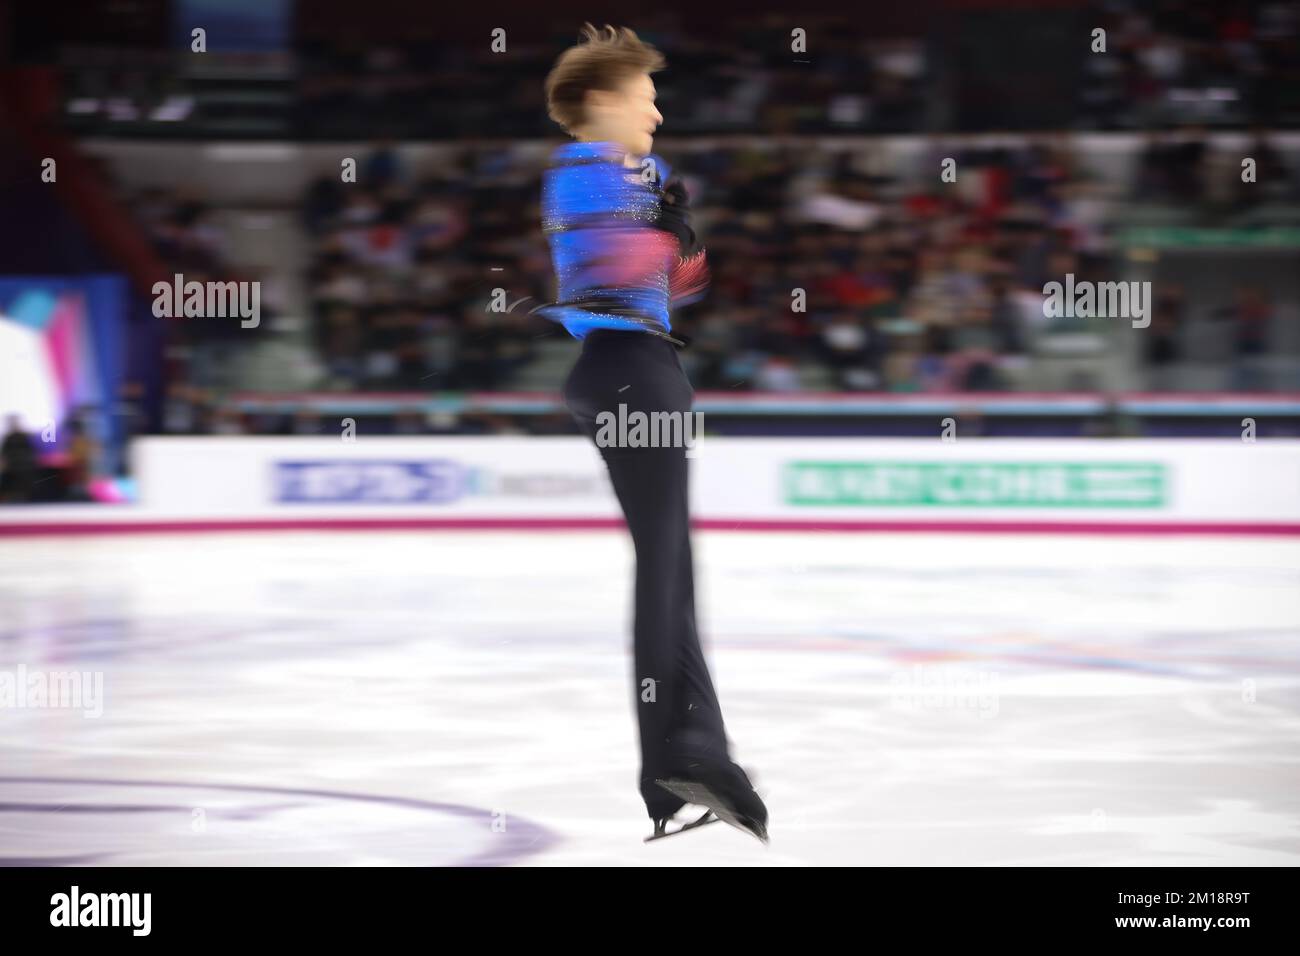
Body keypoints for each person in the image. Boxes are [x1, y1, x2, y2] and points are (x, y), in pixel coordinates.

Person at [540, 23, 767, 843]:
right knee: (666, 566)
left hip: (642, 368)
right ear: (602, 101)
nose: (658, 113)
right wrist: (666, 233)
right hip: (629, 371)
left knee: (672, 564)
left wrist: (679, 241)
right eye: (645, 96)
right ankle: (682, 756)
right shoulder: (580, 170)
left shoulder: (630, 176)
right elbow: (625, 270)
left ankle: (689, 757)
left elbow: (676, 281)